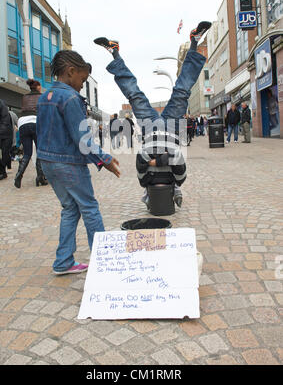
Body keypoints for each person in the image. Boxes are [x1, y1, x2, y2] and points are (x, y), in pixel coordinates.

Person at [94, 21, 211, 209]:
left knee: (134, 95)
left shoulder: (144, 181)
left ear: (148, 193)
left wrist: (158, 160)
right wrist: (157, 161)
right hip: (172, 127)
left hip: (150, 127)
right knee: (182, 90)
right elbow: (176, 158)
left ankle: (114, 52)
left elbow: (142, 158)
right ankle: (195, 41)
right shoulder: (177, 181)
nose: (159, 186)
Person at [36, 49, 120, 275]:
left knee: (70, 209)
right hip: (68, 163)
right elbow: (82, 138)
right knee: (89, 207)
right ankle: (103, 261)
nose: (83, 85)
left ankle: (63, 262)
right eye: (82, 79)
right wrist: (105, 159)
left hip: (47, 161)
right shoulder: (71, 98)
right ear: (71, 71)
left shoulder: (45, 97)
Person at [14, 79, 48, 188]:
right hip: (36, 122)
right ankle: (40, 177)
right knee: (40, 151)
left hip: (23, 123)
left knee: (27, 153)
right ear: (38, 87)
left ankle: (19, 175)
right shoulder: (43, 96)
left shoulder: (24, 97)